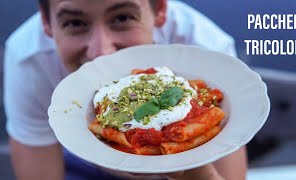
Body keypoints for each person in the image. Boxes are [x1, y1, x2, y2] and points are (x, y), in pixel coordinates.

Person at [4, 0, 246, 179]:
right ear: (46, 23)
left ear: (160, 10)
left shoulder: (207, 50)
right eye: (75, 23)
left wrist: (192, 165)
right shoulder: (29, 61)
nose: (102, 52)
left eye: (122, 18)